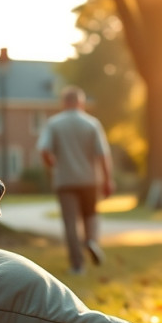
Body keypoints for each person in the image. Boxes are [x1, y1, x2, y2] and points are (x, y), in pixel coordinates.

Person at [37, 86, 115, 275]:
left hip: (65, 180)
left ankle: (78, 265)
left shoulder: (54, 124)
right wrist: (108, 179)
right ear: (81, 102)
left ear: (64, 103)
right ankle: (91, 241)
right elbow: (103, 154)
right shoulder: (92, 123)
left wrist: (51, 164)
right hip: (89, 180)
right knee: (91, 215)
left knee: (71, 223)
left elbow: (44, 150)